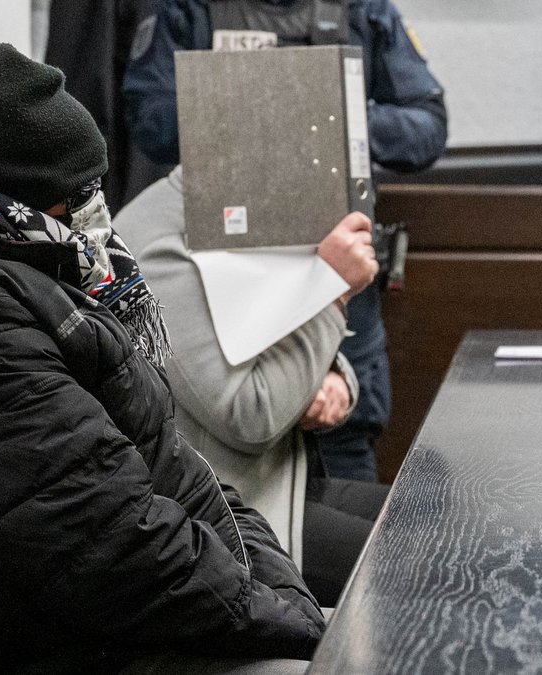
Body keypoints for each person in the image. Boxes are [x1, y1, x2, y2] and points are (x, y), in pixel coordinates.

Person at [0, 43, 323, 675]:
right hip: (38, 647)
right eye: (80, 193)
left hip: (85, 624)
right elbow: (114, 550)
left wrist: (288, 606)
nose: (96, 210)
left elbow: (176, 472)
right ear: (21, 200)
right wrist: (294, 625)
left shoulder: (25, 275)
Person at [122, 0, 449, 481]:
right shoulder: (188, 8)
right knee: (237, 481)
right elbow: (151, 120)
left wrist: (327, 105)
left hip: (339, 281)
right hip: (222, 288)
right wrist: (271, 100)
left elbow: (426, 130)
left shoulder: (362, 9)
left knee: (348, 473)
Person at [116, 167, 392, 607]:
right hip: (228, 519)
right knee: (423, 567)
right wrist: (334, 290)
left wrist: (336, 379)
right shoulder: (157, 241)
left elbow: (279, 336)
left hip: (282, 479)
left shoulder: (239, 205)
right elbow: (251, 414)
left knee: (438, 524)